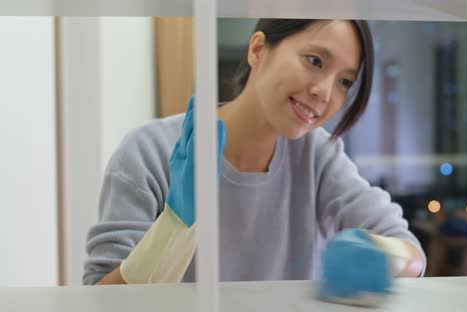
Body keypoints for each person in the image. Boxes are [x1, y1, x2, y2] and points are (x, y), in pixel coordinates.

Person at [84, 19, 426, 285]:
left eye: (345, 82)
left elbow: (410, 252)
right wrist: (171, 233)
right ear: (258, 50)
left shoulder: (319, 156)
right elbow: (103, 299)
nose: (324, 92)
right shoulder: (148, 152)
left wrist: (382, 257)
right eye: (315, 60)